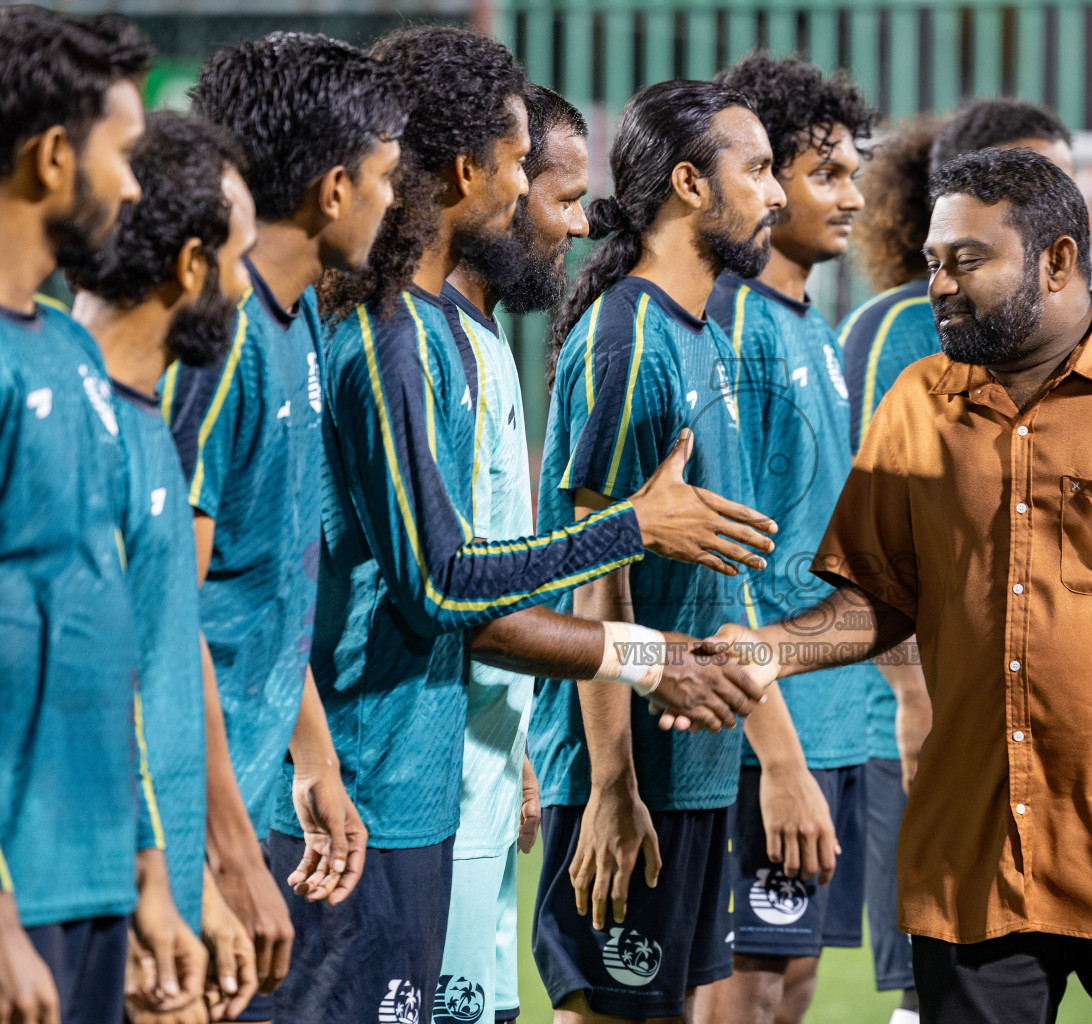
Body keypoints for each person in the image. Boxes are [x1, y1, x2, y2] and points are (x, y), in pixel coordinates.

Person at [702, 148, 1092, 1024]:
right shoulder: (917, 404)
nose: (941, 286)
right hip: (976, 860)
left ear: (1058, 260)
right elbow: (879, 599)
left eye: (967, 260)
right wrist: (771, 650)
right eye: (933, 262)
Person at [301, 31, 776, 1022]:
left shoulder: (447, 336)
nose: (542, 202)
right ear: (465, 171)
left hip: (436, 780)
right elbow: (444, 583)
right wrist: (636, 578)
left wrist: (513, 727)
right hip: (367, 789)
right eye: (524, 170)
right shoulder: (386, 334)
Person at [531, 80, 786, 1023]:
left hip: (691, 774)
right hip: (627, 774)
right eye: (757, 169)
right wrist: (610, 787)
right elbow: (595, 576)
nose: (776, 193)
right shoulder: (629, 338)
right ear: (689, 183)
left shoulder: (700, 334)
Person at [166, 33, 408, 1021]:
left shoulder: (297, 315)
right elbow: (163, 616)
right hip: (173, 818)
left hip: (235, 793)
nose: (397, 200)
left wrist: (314, 755)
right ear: (333, 189)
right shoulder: (214, 337)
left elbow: (272, 576)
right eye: (387, 176)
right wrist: (225, 847)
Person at [835, 98, 1075, 1024]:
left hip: (1028, 732)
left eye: (1063, 178)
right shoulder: (900, 331)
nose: (1054, 196)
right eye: (1028, 174)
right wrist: (911, 699)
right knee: (932, 992)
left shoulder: (1072, 339)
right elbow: (881, 546)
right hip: (922, 723)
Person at [0, 8, 201, 1023]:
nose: (131, 187)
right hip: (17, 892)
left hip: (93, 882)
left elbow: (98, 627)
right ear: (50, 157)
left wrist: (147, 869)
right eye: (120, 155)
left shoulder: (71, 355)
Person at [68, 111, 265, 1023]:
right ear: (192, 267)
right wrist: (142, 898)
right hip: (87, 907)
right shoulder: (74, 425)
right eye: (239, 261)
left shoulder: (144, 420)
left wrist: (194, 887)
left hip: (153, 900)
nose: (245, 287)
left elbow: (161, 664)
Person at [697, 53, 880, 1024]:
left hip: (830, 722)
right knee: (744, 992)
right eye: (825, 174)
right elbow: (719, 572)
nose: (851, 196)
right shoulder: (735, 326)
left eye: (853, 172)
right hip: (764, 737)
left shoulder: (813, 327)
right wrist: (777, 758)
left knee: (791, 986)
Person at [433, 83, 592, 1024]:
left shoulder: (487, 336)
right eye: (562, 198)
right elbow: (461, 593)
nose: (576, 226)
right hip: (431, 796)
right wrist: (651, 657)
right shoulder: (434, 346)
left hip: (488, 782)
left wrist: (518, 738)